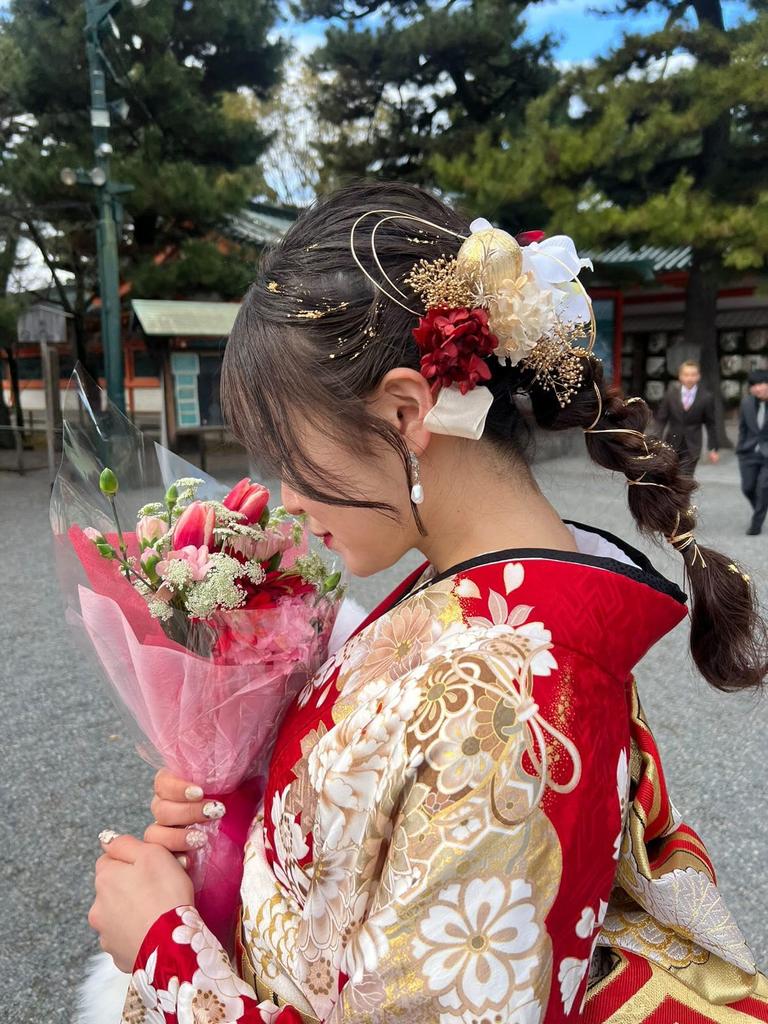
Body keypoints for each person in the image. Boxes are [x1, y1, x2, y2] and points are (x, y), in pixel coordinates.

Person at [88, 183, 768, 1024]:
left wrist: (164, 949)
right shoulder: (477, 595)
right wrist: (242, 814)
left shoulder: (507, 708)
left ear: (409, 410)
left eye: (291, 457)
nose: (284, 500)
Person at [653, 360, 720, 476]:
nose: (690, 378)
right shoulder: (671, 394)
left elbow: (711, 424)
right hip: (671, 442)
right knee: (669, 476)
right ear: (680, 376)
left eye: (693, 375)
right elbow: (661, 419)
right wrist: (656, 440)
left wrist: (713, 448)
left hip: (693, 445)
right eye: (686, 375)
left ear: (698, 376)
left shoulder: (706, 397)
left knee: (685, 478)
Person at [737, 369, 768, 536]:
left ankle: (756, 524)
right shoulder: (746, 403)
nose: (758, 388)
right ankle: (761, 507)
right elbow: (742, 428)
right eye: (754, 385)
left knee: (763, 487)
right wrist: (741, 447)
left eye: (761, 384)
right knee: (748, 488)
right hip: (748, 452)